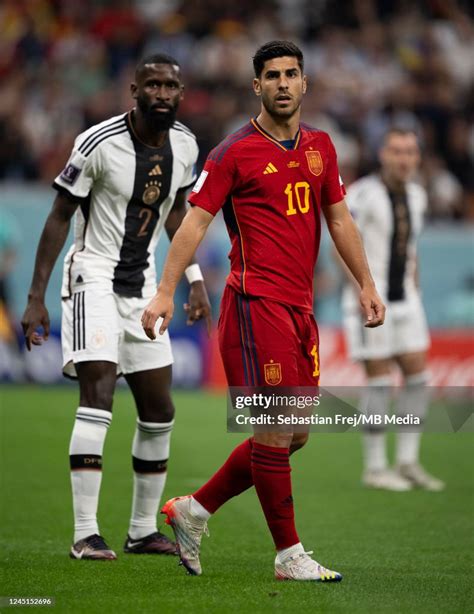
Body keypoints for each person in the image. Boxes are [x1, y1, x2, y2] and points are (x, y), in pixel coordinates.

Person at [141, 40, 385, 582]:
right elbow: (194, 223)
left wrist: (366, 282)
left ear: (304, 83)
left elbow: (340, 221)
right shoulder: (233, 152)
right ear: (257, 86)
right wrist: (165, 290)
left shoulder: (322, 146)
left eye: (290, 74)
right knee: (275, 430)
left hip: (301, 310)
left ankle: (193, 510)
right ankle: (289, 555)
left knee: (294, 435)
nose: (281, 82)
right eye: (271, 75)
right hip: (255, 306)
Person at [21, 53, 211, 560]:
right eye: (153, 85)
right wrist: (36, 296)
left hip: (146, 285)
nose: (162, 94)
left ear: (181, 92)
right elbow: (59, 215)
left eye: (171, 86)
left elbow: (178, 216)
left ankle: (141, 530)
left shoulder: (187, 146)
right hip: (93, 278)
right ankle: (86, 532)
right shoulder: (97, 143)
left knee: (159, 410)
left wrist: (192, 278)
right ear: (134, 91)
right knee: (99, 393)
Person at [341, 128, 445, 492]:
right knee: (380, 380)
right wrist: (359, 291)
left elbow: (411, 245)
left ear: (417, 158)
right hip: (372, 294)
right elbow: (343, 244)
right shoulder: (362, 194)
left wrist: (414, 283)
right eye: (397, 151)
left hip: (406, 299)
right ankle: (374, 466)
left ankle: (407, 461)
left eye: (410, 152)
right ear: (382, 154)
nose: (404, 159)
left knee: (418, 379)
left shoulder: (417, 196)